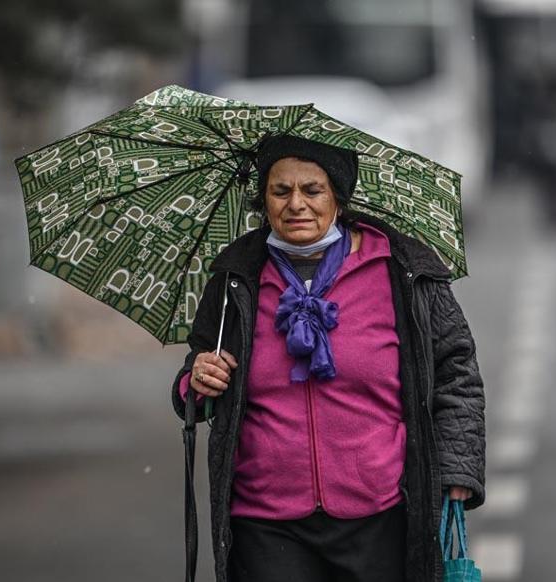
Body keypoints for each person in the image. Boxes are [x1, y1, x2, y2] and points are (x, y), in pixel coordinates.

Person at [170, 134, 485, 582]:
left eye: (312, 190)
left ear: (338, 198)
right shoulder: (235, 277)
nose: (296, 203)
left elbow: (456, 370)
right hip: (266, 521)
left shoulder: (403, 270)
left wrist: (457, 469)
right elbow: (195, 381)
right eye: (281, 191)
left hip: (380, 512)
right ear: (264, 201)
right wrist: (196, 381)